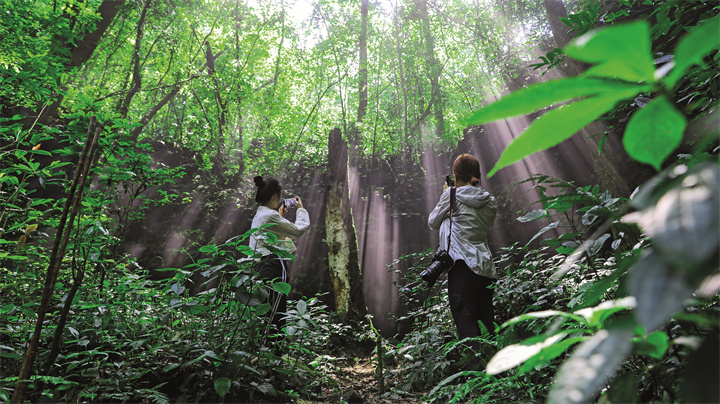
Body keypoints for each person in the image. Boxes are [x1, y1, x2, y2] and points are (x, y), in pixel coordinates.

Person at [427, 154, 498, 369]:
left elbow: (432, 222)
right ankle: (498, 374)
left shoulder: (451, 195)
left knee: (465, 320)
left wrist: (447, 194)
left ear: (455, 176)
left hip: (462, 267)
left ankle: (476, 379)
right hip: (485, 267)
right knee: (487, 322)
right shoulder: (490, 201)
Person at [249, 175, 310, 353]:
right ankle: (273, 354)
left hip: (260, 267)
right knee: (276, 312)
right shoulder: (270, 216)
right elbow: (298, 231)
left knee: (266, 311)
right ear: (276, 196)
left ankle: (265, 354)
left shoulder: (261, 214)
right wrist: (301, 210)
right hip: (274, 265)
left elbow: (275, 235)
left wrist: (280, 217)